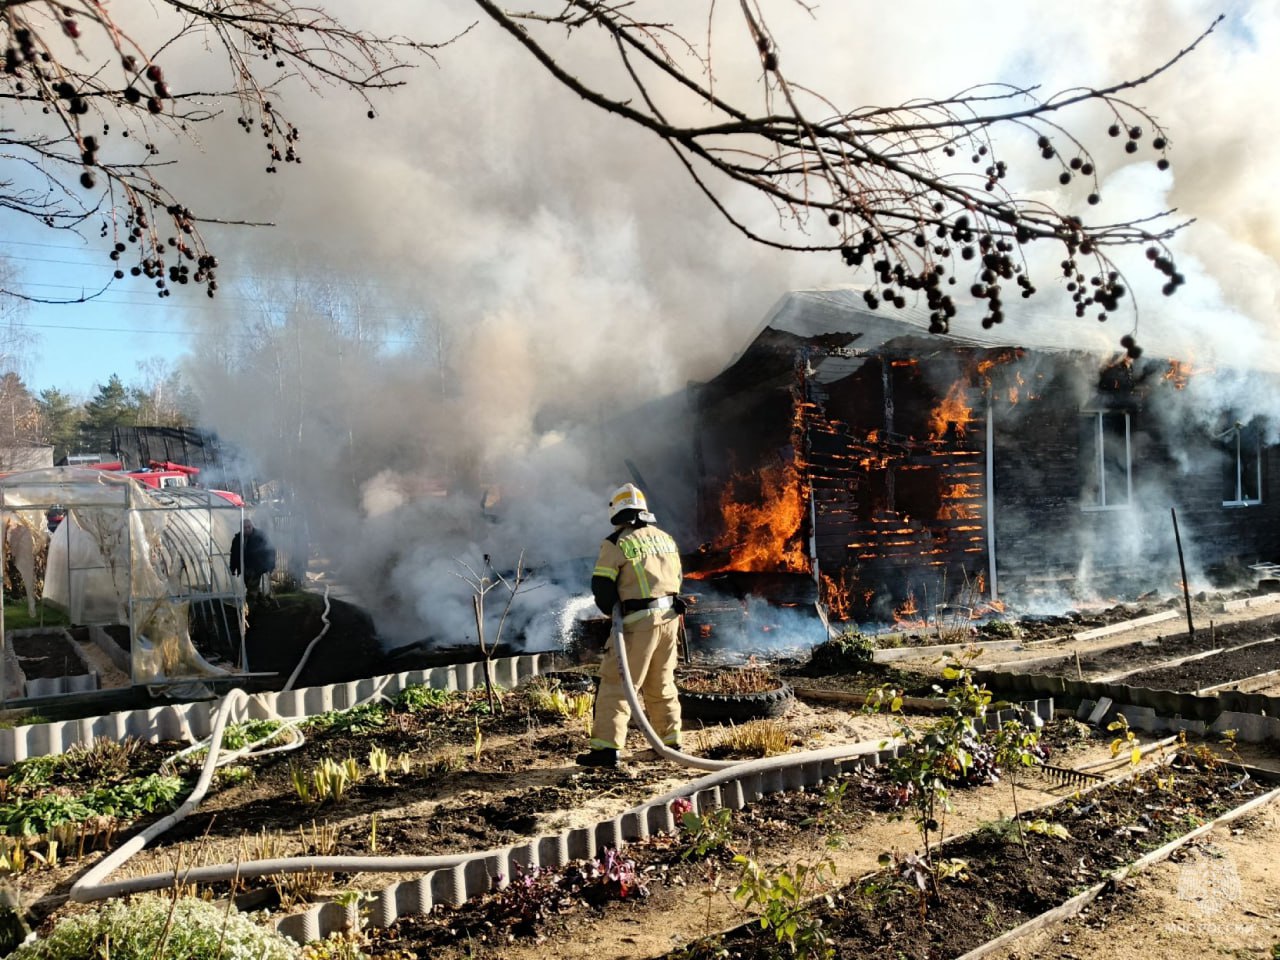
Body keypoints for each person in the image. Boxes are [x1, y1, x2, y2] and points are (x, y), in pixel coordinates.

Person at [577, 483, 685, 768]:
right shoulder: (665, 538)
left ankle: (606, 749)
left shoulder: (616, 543)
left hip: (638, 623)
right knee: (661, 681)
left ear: (617, 512)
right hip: (669, 618)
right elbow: (678, 578)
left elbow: (602, 587)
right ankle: (671, 741)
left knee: (617, 683)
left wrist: (613, 611)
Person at [229, 518, 276, 599]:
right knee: (250, 586)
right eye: (244, 527)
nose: (247, 529)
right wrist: (233, 568)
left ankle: (251, 604)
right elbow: (234, 554)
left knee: (252, 589)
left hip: (257, 567)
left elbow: (270, 550)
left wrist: (270, 565)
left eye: (249, 527)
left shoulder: (260, 536)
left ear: (252, 526)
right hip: (245, 567)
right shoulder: (237, 539)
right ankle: (262, 602)